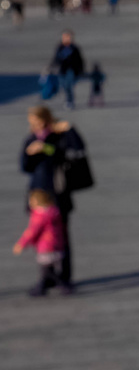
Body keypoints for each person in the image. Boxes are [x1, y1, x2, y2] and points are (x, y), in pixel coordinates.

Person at [20, 106, 89, 287]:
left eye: (38, 121)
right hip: (39, 194)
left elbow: (75, 149)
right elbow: (25, 166)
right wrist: (30, 152)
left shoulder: (58, 135)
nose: (36, 125)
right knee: (42, 237)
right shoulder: (31, 138)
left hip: (59, 192)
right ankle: (47, 276)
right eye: (33, 122)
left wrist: (68, 130)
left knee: (62, 236)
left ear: (47, 118)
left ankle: (64, 277)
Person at [14, 188, 70, 296]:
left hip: (46, 246)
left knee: (47, 271)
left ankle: (58, 286)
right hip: (56, 245)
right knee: (48, 269)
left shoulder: (40, 216)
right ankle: (46, 286)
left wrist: (22, 244)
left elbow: (32, 231)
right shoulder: (53, 212)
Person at [49, 31, 86, 109]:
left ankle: (69, 101)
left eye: (68, 37)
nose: (66, 39)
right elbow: (56, 58)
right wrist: (51, 66)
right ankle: (68, 100)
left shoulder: (74, 48)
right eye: (65, 37)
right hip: (62, 70)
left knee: (68, 85)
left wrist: (81, 70)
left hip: (71, 70)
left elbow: (79, 60)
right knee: (63, 86)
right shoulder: (60, 47)